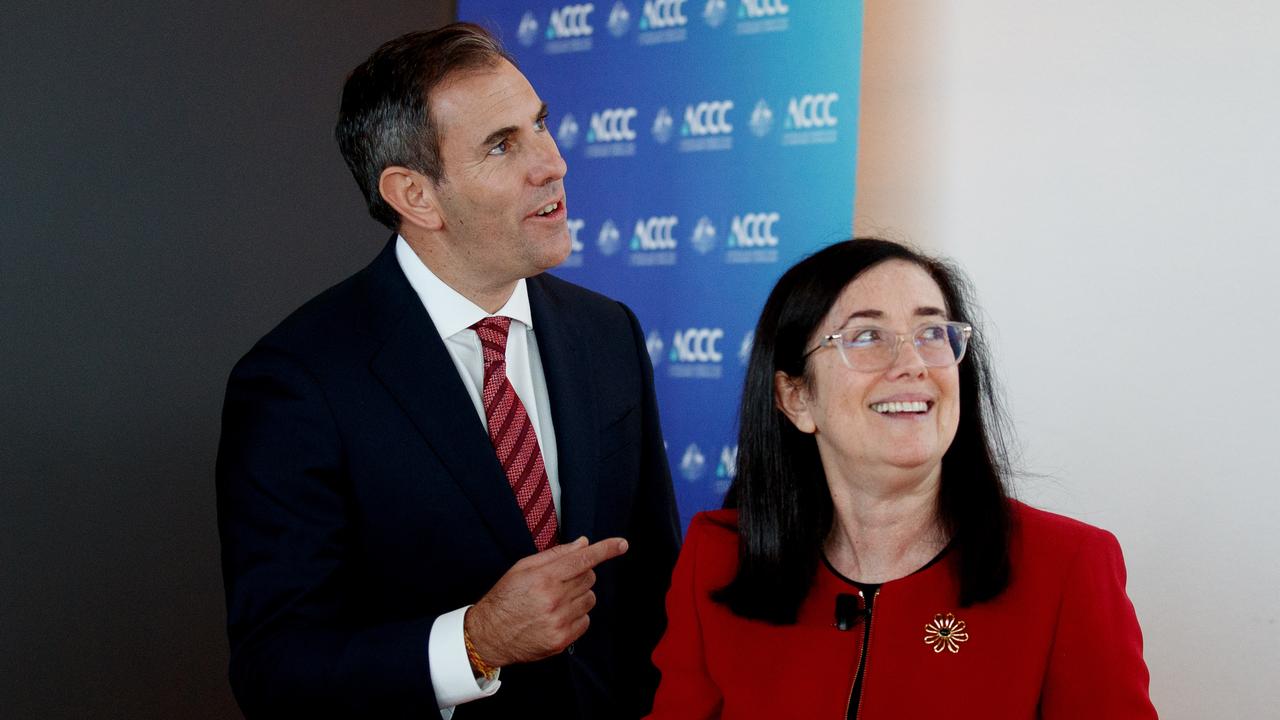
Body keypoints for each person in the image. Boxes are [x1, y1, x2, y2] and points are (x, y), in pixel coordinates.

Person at [216, 23, 680, 719]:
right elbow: (277, 671)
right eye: (502, 145)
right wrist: (475, 642)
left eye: (540, 126)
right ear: (415, 195)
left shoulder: (606, 331)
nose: (552, 164)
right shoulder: (298, 384)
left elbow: (654, 590)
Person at [646, 238, 1157, 719]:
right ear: (797, 398)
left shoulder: (1066, 565)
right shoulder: (718, 557)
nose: (912, 364)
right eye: (867, 336)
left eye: (932, 333)